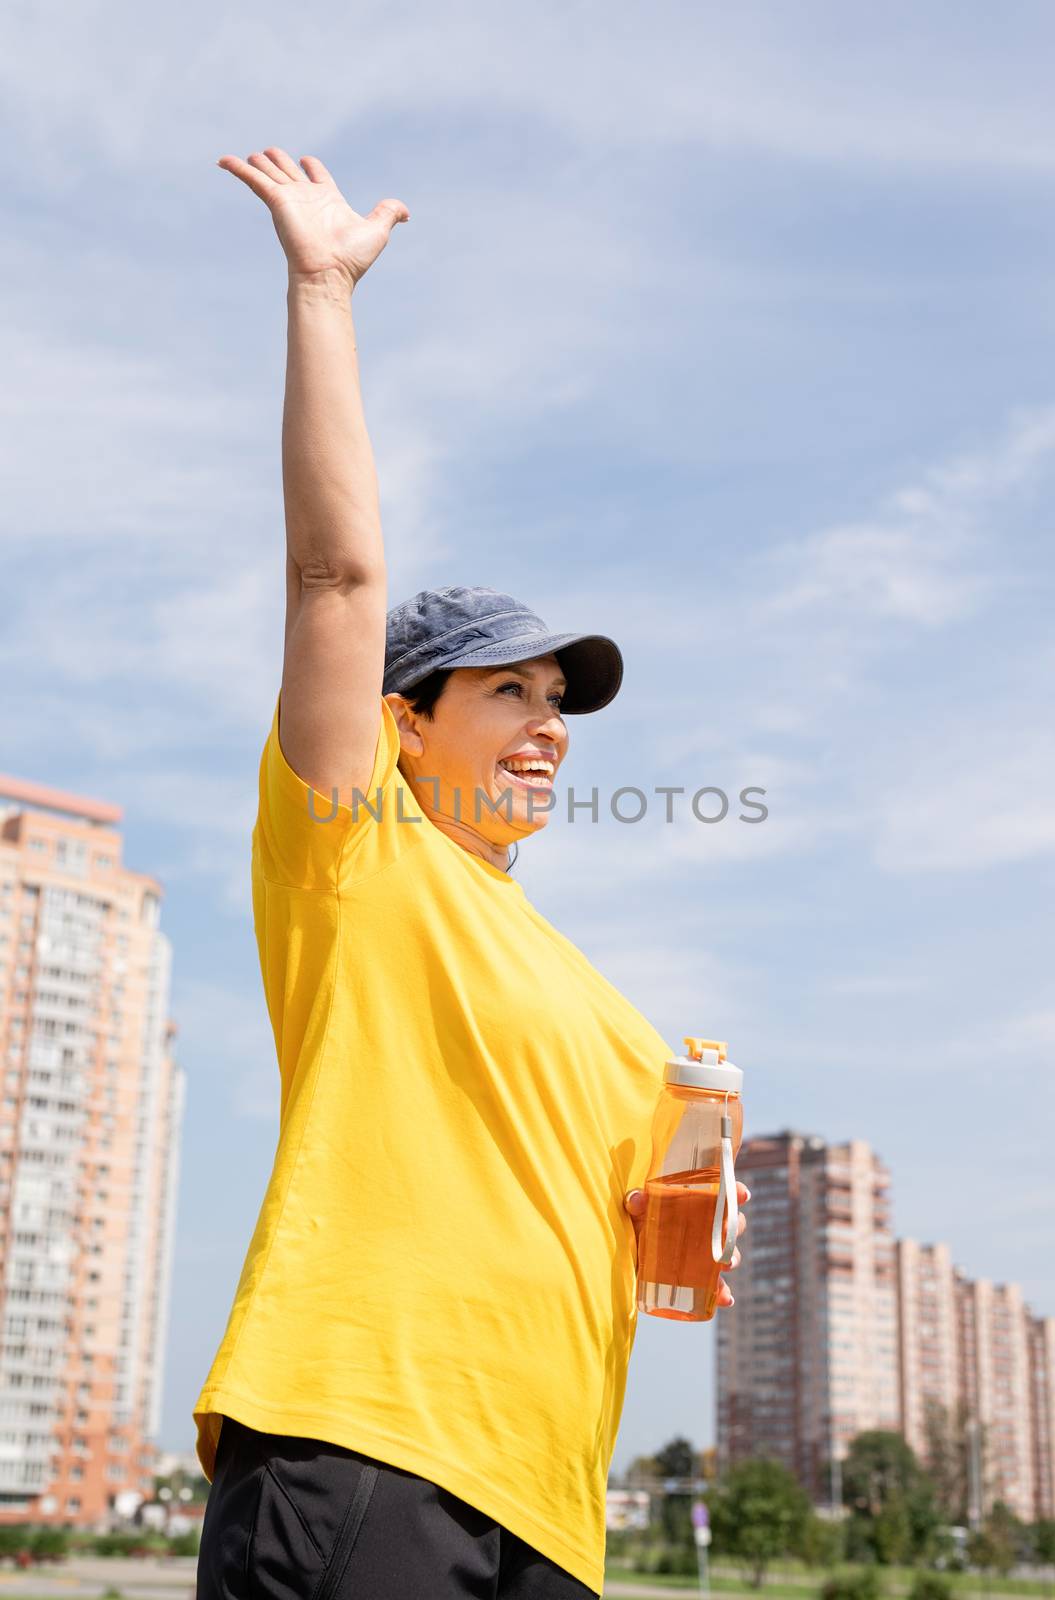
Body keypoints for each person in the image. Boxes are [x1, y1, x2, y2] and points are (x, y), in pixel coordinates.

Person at [193, 146, 751, 1600]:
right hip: (364, 1443)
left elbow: (651, 1245)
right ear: (404, 721)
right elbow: (335, 582)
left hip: (554, 1507)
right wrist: (322, 290)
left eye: (560, 705)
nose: (552, 730)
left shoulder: (607, 1010)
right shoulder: (356, 853)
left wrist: (702, 1214)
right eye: (512, 693)